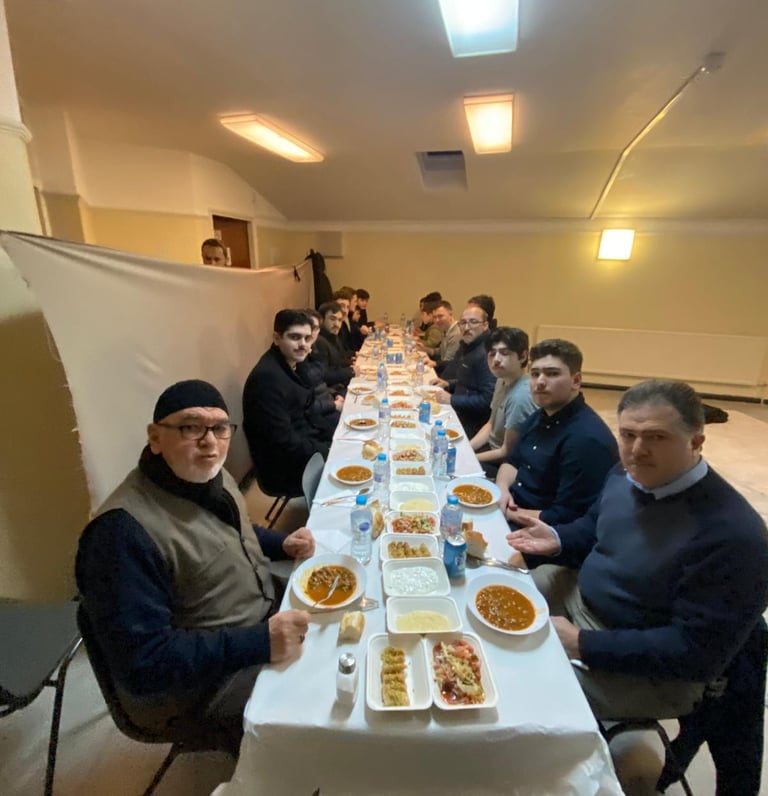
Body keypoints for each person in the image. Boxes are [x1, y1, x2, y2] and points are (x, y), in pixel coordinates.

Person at [76, 379, 314, 756]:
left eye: (220, 428)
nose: (210, 441)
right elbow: (144, 664)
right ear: (155, 438)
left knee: (345, 624)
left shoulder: (208, 476)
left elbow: (233, 529)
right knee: (324, 693)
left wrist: (280, 543)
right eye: (191, 427)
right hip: (203, 684)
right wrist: (259, 641)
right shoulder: (119, 536)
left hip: (255, 618)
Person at [507, 379, 768, 723]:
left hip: (649, 669)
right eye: (628, 435)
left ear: (696, 442)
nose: (637, 449)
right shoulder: (627, 474)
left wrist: (582, 643)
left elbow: (695, 652)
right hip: (580, 600)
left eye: (656, 437)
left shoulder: (734, 535)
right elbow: (595, 526)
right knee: (491, 592)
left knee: (515, 687)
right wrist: (560, 538)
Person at [496, 338, 618, 527]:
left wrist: (506, 512)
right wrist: (502, 490)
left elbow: (567, 517)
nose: (540, 382)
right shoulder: (541, 415)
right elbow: (512, 461)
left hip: (539, 532)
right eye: (535, 374)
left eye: (552, 374)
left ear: (576, 381)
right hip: (513, 507)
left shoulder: (587, 440)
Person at [242, 309, 333, 495]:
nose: (303, 345)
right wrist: (328, 451)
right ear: (277, 338)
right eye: (295, 337)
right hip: (284, 468)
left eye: (307, 338)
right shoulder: (267, 379)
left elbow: (307, 410)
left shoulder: (291, 363)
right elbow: (283, 442)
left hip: (304, 444)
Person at [470, 327, 537, 477]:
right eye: (492, 354)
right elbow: (490, 425)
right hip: (491, 449)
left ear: (523, 356)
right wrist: (467, 449)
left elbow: (507, 452)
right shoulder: (501, 380)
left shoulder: (520, 397)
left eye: (504, 353)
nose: (496, 359)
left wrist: (469, 459)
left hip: (506, 464)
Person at [429, 304, 496, 439]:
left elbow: (487, 400)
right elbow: (468, 382)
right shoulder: (469, 346)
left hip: (471, 424)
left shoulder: (485, 354)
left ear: (485, 325)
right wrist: (448, 384)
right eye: (463, 323)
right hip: (459, 410)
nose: (466, 327)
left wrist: (452, 399)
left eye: (473, 322)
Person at [303, 308, 344, 434]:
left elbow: (320, 383)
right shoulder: (299, 357)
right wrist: (333, 404)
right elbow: (305, 405)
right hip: (318, 419)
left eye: (315, 328)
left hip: (328, 401)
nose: (310, 333)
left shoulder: (311, 350)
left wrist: (334, 394)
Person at [312, 301, 355, 390]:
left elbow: (337, 361)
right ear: (321, 320)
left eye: (339, 320)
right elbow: (324, 374)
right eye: (332, 319)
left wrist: (351, 363)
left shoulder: (333, 336)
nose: (336, 324)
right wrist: (351, 371)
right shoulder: (319, 341)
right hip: (332, 390)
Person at [426, 300, 462, 370]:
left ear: (450, 314)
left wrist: (434, 363)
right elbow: (441, 351)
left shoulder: (456, 334)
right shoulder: (446, 329)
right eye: (434, 317)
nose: (437, 320)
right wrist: (425, 349)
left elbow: (447, 364)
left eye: (440, 316)